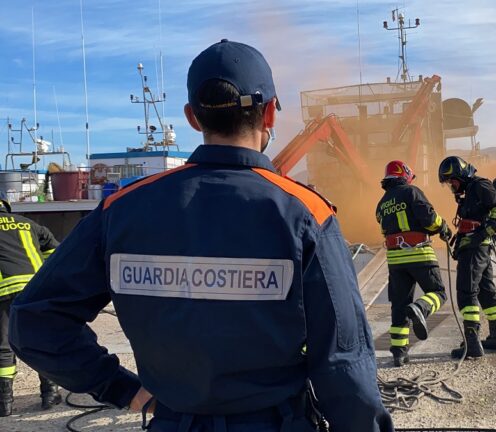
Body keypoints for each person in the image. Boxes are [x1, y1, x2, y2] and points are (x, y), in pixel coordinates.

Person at [10, 39, 392, 432]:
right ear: (270, 115)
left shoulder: (121, 210)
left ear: (193, 117)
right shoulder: (306, 214)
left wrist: (122, 389)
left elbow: (33, 322)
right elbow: (344, 362)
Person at [375, 160, 451, 367]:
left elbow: (383, 227)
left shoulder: (381, 203)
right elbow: (428, 218)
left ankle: (399, 353)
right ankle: (421, 308)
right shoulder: (411, 192)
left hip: (395, 261)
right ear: (405, 174)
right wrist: (443, 227)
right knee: (438, 293)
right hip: (419, 254)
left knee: (399, 305)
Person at [438, 156, 496, 359]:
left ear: (461, 175)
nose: (451, 186)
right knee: (486, 291)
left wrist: (480, 235)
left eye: (452, 180)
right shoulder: (469, 192)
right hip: (478, 248)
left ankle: (472, 342)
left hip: (476, 247)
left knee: (466, 291)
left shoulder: (480, 185)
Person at [0, 194, 61, 416]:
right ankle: (50, 394)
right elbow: (57, 254)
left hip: (3, 293)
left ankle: (4, 404)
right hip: (34, 291)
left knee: (4, 347)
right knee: (40, 341)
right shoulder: (28, 224)